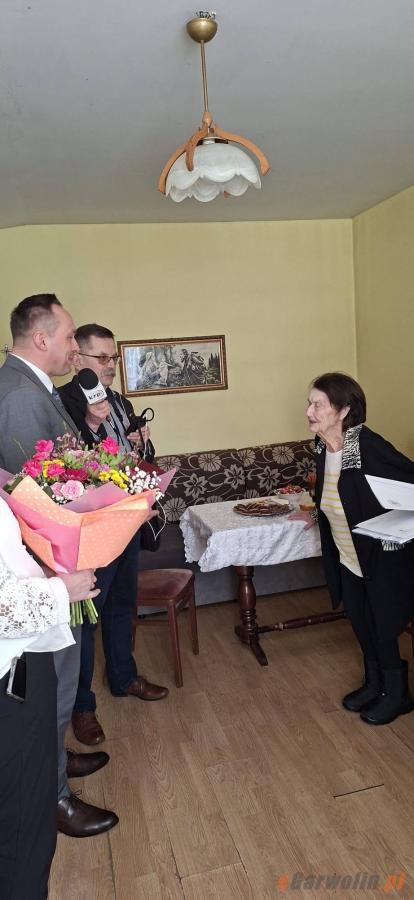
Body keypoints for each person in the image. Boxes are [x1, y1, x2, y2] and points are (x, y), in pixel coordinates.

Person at [0, 295, 118, 838]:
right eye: (70, 336)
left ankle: (55, 764)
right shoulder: (21, 396)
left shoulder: (31, 387)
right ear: (41, 338)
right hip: (46, 571)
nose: (75, 347)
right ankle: (52, 798)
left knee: (57, 684)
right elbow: (42, 497)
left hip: (53, 567)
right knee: (51, 683)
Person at [59, 323, 168, 747]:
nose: (110, 365)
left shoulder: (120, 401)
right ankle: (82, 706)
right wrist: (90, 422)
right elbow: (67, 465)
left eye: (114, 357)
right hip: (92, 529)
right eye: (102, 357)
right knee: (88, 619)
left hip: (128, 521)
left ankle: (124, 677)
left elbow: (134, 458)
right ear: (78, 360)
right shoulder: (64, 402)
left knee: (123, 603)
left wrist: (142, 443)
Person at [297, 372, 414, 726]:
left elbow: (407, 482)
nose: (309, 412)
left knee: (381, 622)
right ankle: (374, 684)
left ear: (344, 410)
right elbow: (335, 495)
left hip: (379, 556)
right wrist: (315, 512)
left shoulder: (367, 445)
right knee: (360, 620)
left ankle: (397, 693)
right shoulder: (323, 447)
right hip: (348, 557)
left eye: (318, 405)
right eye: (309, 403)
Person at [0, 496, 100, 898]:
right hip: (11, 685)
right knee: (22, 836)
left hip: (21, 669)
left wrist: (40, 576)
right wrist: (61, 591)